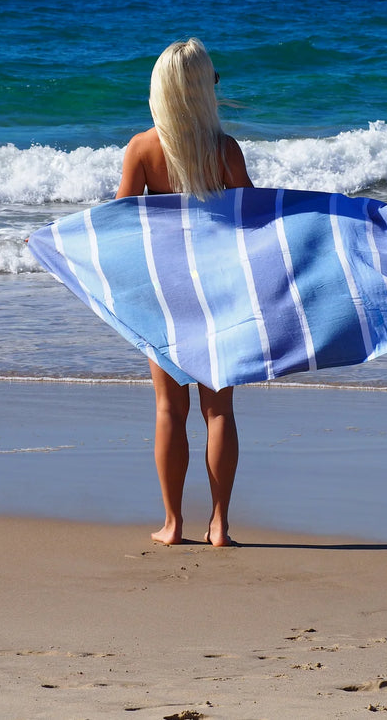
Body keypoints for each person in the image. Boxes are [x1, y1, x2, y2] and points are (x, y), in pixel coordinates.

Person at [116, 38, 253, 547]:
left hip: (166, 293)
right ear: (203, 89)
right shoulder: (225, 150)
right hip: (220, 291)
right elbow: (253, 224)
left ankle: (173, 524)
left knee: (169, 409)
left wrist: (60, 241)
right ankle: (219, 525)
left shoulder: (142, 149)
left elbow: (117, 229)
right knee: (220, 411)